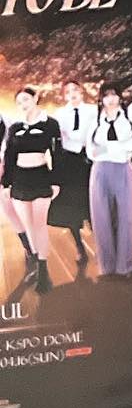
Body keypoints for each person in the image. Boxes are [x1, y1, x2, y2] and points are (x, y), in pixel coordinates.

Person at [2, 87, 60, 292]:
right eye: (19, 102)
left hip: (41, 177)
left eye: (26, 99)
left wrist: (56, 181)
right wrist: (6, 184)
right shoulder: (15, 127)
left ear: (35, 98)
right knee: (29, 226)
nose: (23, 105)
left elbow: (57, 153)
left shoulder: (50, 124)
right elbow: (9, 156)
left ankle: (44, 272)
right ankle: (36, 263)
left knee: (39, 224)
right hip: (19, 180)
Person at [87, 82, 132, 277]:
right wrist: (119, 147)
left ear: (120, 97)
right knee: (102, 218)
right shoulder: (96, 119)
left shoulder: (130, 115)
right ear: (101, 99)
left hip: (123, 168)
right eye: (106, 95)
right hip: (100, 171)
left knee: (126, 216)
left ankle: (126, 265)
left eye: (114, 95)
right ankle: (107, 266)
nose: (110, 99)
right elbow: (91, 150)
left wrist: (108, 148)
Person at [49, 80, 95, 270]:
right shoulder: (59, 114)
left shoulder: (93, 111)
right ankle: (79, 246)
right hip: (68, 163)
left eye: (75, 89)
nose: (72, 94)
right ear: (64, 95)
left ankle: (102, 242)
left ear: (81, 91)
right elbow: (58, 140)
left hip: (89, 159)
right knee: (71, 205)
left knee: (93, 202)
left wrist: (77, 140)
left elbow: (92, 135)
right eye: (68, 91)